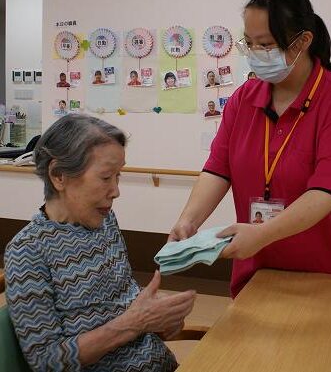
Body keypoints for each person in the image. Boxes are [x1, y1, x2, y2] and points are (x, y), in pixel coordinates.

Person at [168, 0, 331, 298]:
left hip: (325, 272)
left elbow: (328, 191)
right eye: (249, 43)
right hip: (257, 269)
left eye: (265, 44)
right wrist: (188, 221)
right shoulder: (243, 99)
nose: (256, 53)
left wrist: (261, 234)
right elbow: (218, 169)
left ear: (303, 41)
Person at [4, 114, 196, 371]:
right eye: (106, 177)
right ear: (58, 175)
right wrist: (134, 322)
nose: (116, 191)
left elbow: (122, 301)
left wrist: (161, 318)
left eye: (118, 176)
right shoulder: (27, 251)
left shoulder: (104, 221)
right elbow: (48, 361)